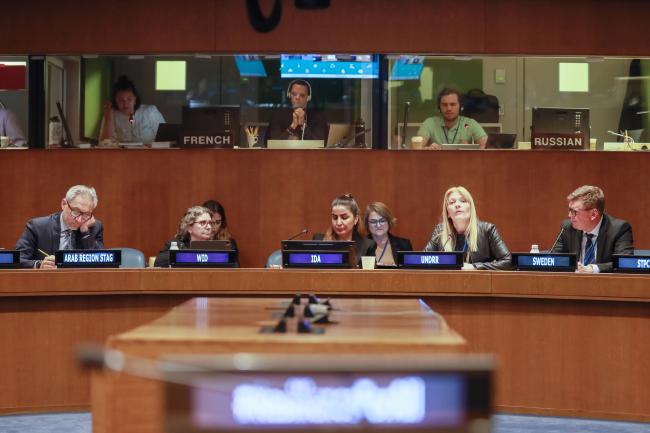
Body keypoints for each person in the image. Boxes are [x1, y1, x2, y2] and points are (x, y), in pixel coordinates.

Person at [15, 185, 104, 269]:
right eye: (76, 212)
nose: (79, 220)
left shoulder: (94, 227)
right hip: (45, 281)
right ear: (64, 204)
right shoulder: (37, 227)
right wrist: (39, 265)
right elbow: (17, 259)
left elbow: (103, 262)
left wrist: (85, 233)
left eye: (86, 214)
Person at [551, 185, 633, 273]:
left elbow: (624, 263)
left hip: (606, 285)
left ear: (593, 214)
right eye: (569, 210)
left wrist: (593, 269)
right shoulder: (567, 227)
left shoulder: (618, 229)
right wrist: (570, 264)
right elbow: (554, 260)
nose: (569, 215)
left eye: (574, 211)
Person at [424, 186, 511, 270]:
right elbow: (423, 260)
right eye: (452, 202)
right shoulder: (440, 231)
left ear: (471, 208)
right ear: (448, 213)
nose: (457, 205)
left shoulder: (487, 230)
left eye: (463, 201)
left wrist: (475, 267)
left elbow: (508, 261)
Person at [99, 75, 165, 144]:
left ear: (135, 99)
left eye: (129, 99)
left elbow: (166, 138)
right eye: (121, 100)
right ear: (115, 101)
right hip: (123, 154)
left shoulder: (149, 111)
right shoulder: (111, 114)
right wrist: (108, 118)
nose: (125, 103)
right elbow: (104, 143)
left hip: (150, 153)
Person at [416, 88, 488, 149]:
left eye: (452, 104)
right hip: (436, 163)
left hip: (463, 163)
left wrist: (470, 150)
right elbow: (416, 149)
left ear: (460, 106)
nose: (449, 108)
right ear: (439, 107)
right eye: (444, 105)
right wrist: (427, 149)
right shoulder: (430, 123)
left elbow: (487, 147)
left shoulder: (469, 124)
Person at [313, 194, 375, 264]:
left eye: (344, 217)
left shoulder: (367, 246)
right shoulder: (319, 241)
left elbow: (370, 274)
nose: (338, 223)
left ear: (355, 219)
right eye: (335, 217)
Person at [267, 79, 328, 144]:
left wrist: (303, 125)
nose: (297, 97)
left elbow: (320, 145)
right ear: (289, 95)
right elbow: (274, 145)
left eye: (302, 95)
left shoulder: (318, 117)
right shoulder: (277, 116)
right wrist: (292, 126)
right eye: (294, 94)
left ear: (308, 98)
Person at [365, 202, 413, 266]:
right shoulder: (360, 246)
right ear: (367, 224)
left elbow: (410, 272)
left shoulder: (404, 245)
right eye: (373, 221)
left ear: (389, 221)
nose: (378, 225)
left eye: (382, 220)